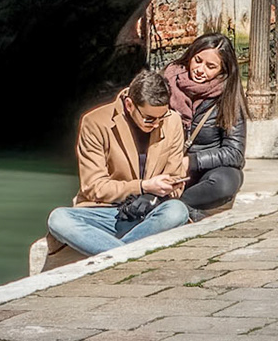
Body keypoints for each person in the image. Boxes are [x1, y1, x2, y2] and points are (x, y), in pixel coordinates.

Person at [46, 69, 191, 255]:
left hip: (149, 210)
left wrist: (161, 190)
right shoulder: (95, 122)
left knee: (177, 211)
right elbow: (94, 187)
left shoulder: (172, 122)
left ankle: (114, 254)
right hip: (106, 211)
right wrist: (142, 186)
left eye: (161, 118)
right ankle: (126, 255)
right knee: (58, 219)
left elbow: (175, 180)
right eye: (149, 119)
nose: (156, 124)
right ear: (130, 105)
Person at [163, 32, 247, 217]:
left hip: (204, 171)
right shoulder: (167, 82)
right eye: (198, 60)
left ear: (222, 70)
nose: (200, 69)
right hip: (166, 164)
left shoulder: (229, 97)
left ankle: (175, 206)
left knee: (225, 182)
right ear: (190, 56)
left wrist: (192, 161)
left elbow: (235, 153)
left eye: (211, 66)